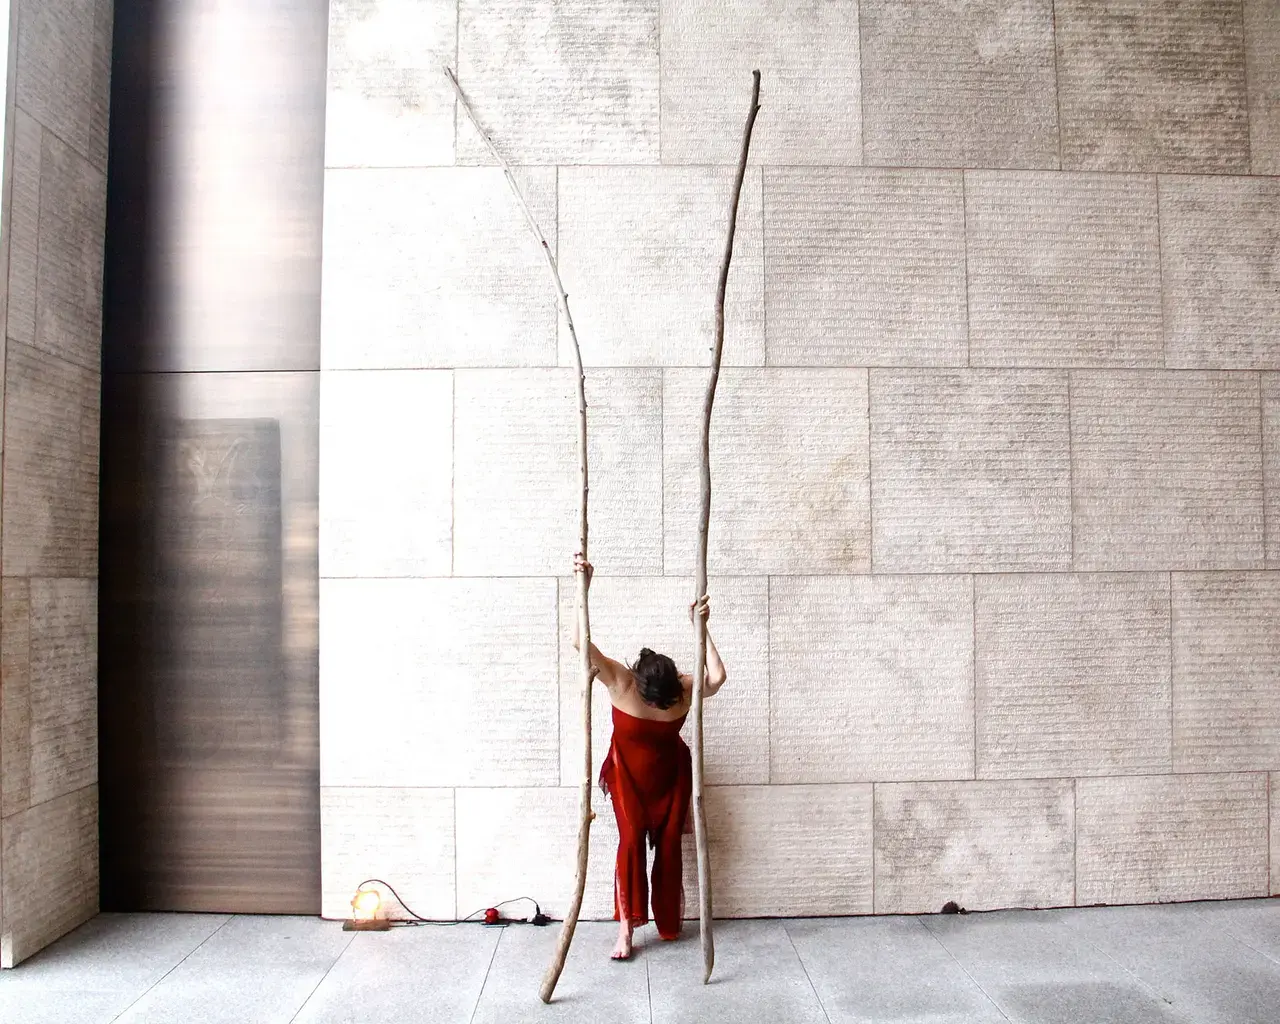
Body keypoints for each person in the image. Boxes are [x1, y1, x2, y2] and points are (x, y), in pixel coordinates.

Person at [570, 553, 728, 961]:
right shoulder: (620, 681)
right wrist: (581, 591)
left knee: (671, 843)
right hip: (627, 777)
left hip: (671, 777)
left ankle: (669, 925)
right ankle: (625, 929)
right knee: (630, 841)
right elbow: (579, 643)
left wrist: (702, 627)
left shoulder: (681, 686)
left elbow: (717, 677)